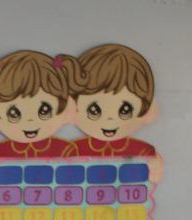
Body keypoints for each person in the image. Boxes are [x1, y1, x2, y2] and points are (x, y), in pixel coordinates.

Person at [0, 50, 80, 191]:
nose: (30, 121)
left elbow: (75, 183)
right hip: (12, 209)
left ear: (66, 107)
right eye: (14, 114)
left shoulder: (66, 150)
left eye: (44, 110)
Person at [66, 43, 164, 180]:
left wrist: (154, 166)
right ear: (72, 109)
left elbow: (154, 171)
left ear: (148, 111)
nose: (110, 120)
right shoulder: (73, 149)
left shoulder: (140, 150)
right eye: (94, 110)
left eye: (125, 110)